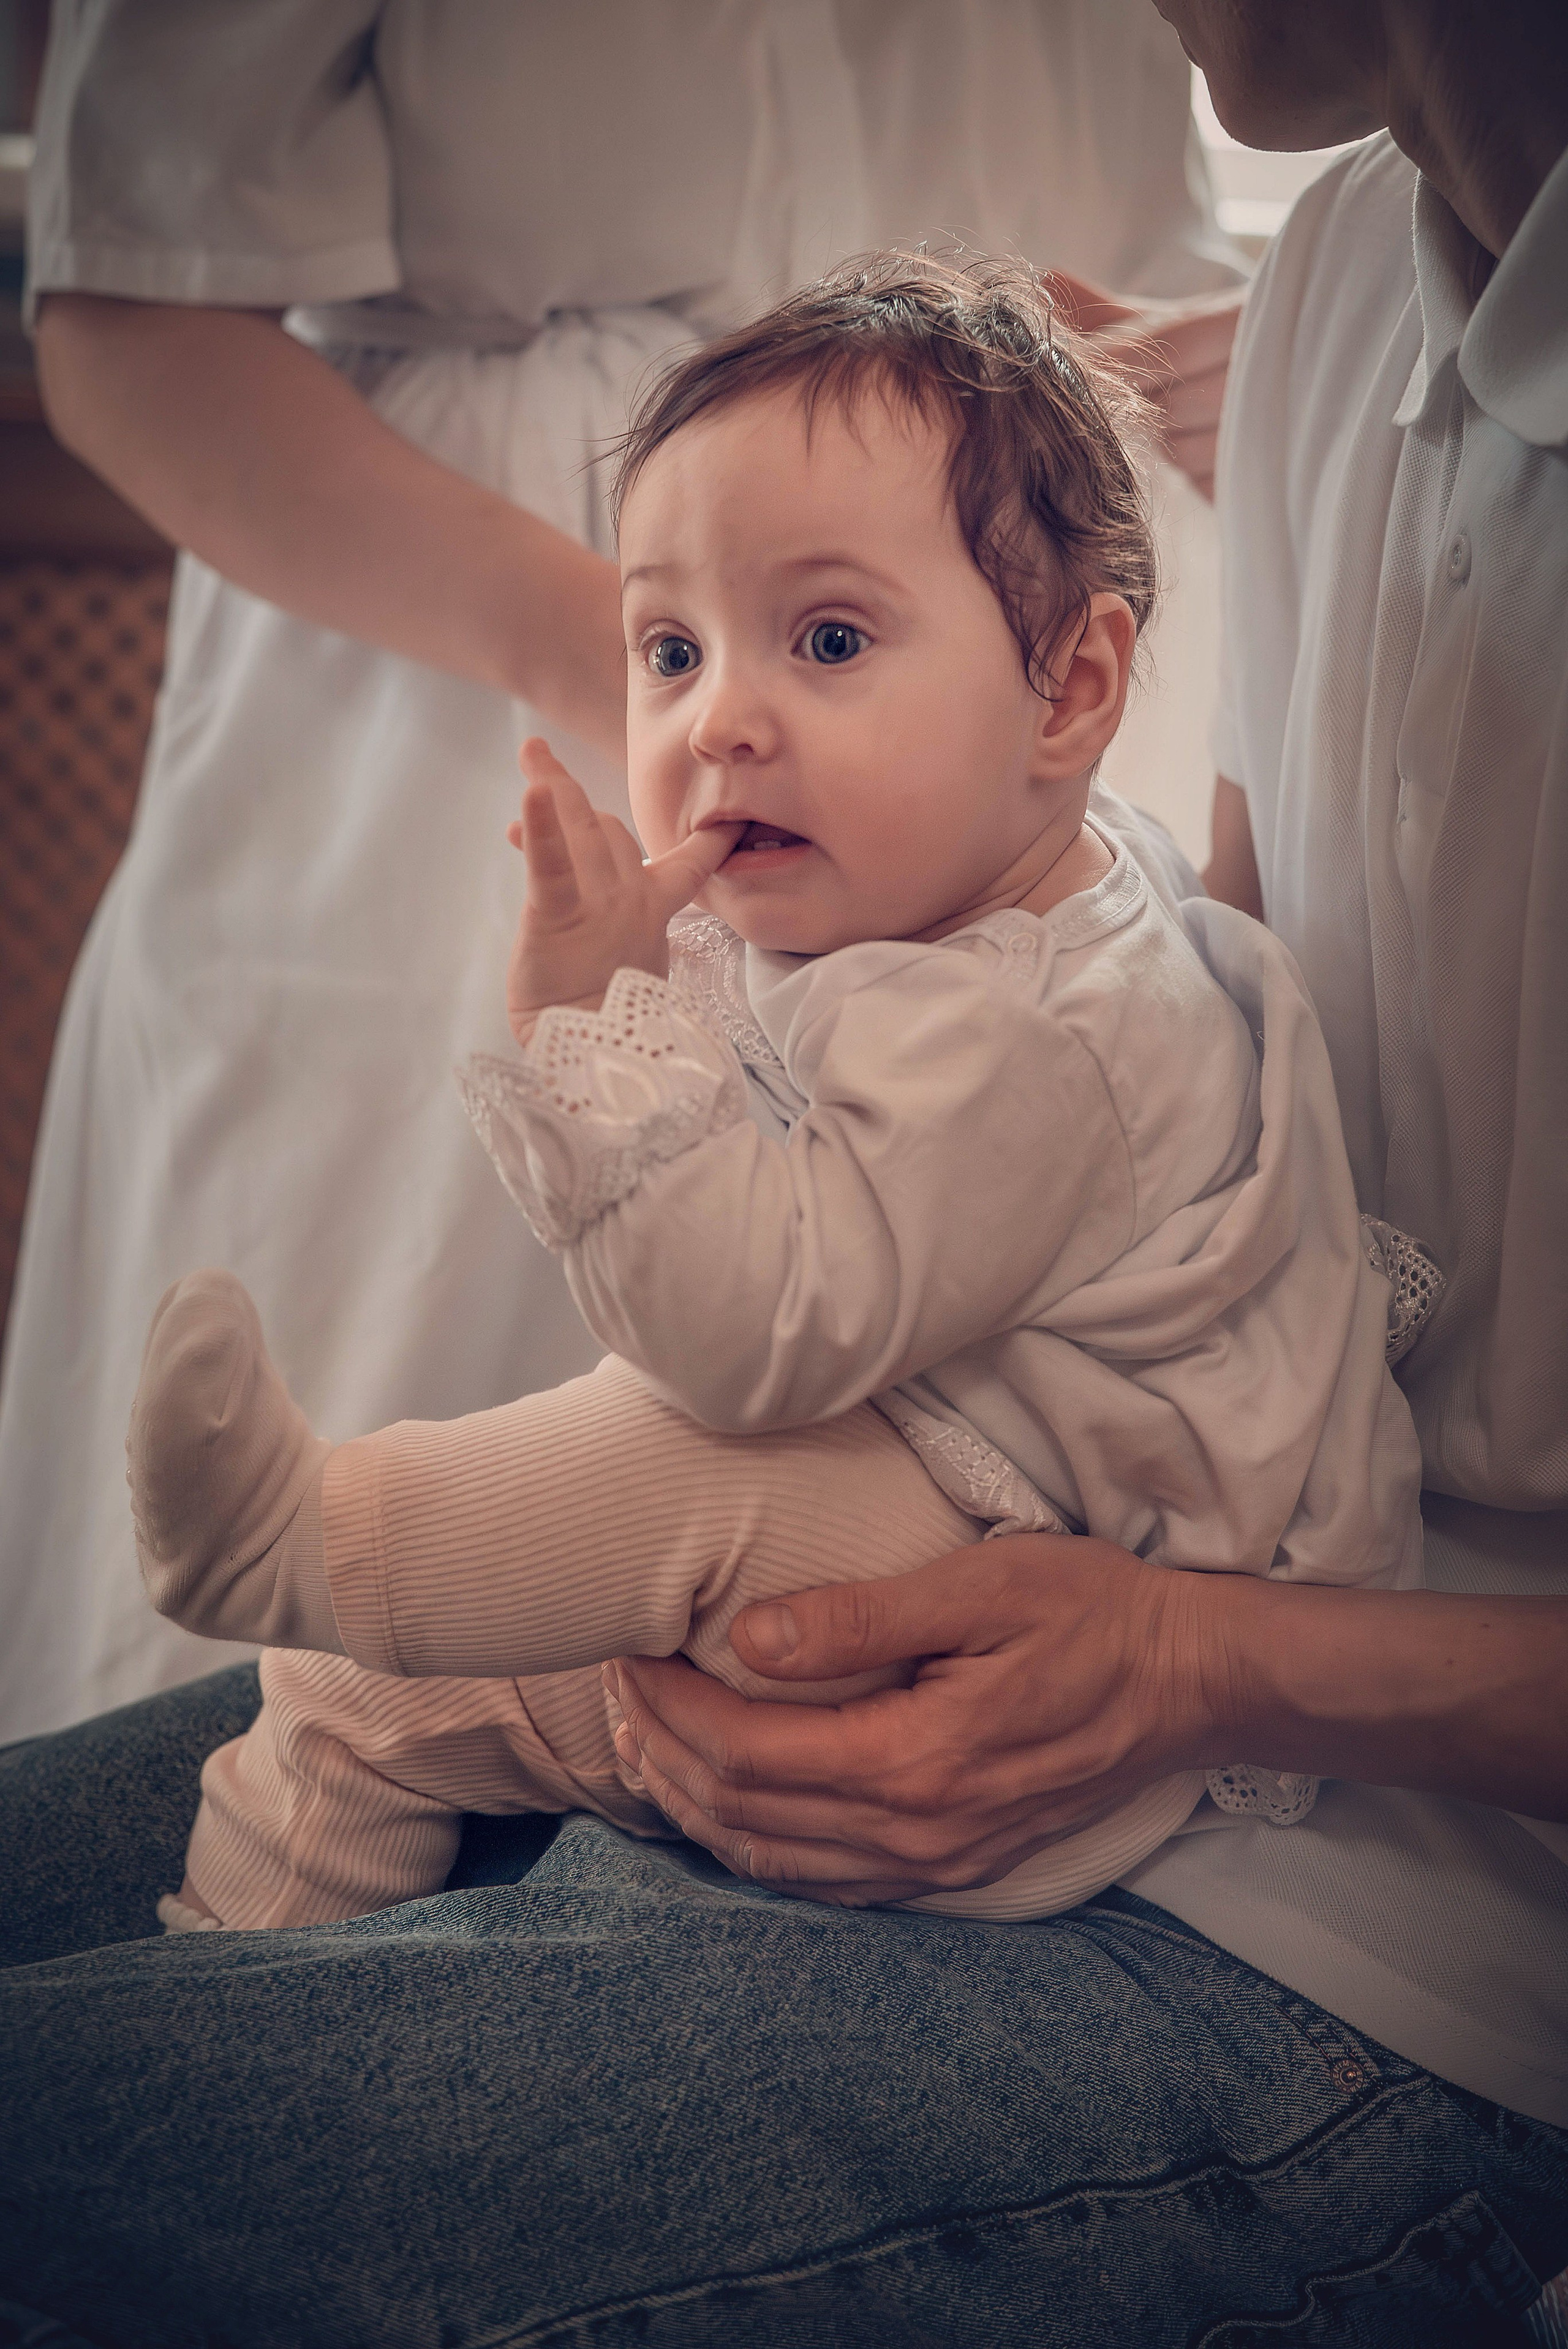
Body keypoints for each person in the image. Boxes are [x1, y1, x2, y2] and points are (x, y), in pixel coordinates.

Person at [2, 4, 1565, 2344]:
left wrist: (1181, 1661)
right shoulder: (1347, 275)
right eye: (677, 648)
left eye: (826, 634)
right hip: (1053, 1613)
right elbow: (1252, 1100)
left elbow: (793, 1290)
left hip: (1402, 1943)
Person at [126, 259, 1425, 1936]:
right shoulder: (961, 904)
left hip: (1037, 1616)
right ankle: (238, 1945)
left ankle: (316, 1538)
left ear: (1074, 690)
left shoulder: (1052, 1031)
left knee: (641, 1466)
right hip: (959, 1485)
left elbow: (750, 1335)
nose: (722, 717)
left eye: (826, 638)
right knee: (358, 1703)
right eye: (670, 647)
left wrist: (598, 1027)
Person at [0, 0, 1239, 1745]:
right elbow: (129, 316)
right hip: (452, 710)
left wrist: (1269, 346)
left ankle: (329, 1566)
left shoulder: (1091, 990)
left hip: (995, 692)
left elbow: (749, 1332)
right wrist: (666, 666)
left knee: (841, 1539)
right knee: (329, 1671)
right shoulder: (708, 717)